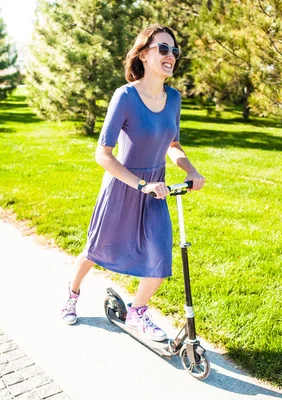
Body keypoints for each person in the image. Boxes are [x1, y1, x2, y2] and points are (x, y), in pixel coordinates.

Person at [60, 24, 205, 342]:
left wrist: (191, 171)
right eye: (163, 49)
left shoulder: (174, 99)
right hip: (124, 186)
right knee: (97, 249)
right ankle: (72, 293)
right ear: (143, 54)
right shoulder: (125, 96)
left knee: (160, 256)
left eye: (175, 51)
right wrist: (140, 184)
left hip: (157, 189)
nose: (171, 56)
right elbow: (103, 154)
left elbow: (172, 145)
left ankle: (137, 311)